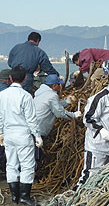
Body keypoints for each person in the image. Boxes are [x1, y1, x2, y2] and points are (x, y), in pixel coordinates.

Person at [0, 66, 42, 205]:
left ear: (10, 78)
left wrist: (1, 133)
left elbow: (0, 117)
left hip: (8, 134)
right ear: (25, 79)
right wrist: (37, 136)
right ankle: (24, 197)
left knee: (11, 164)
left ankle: (14, 196)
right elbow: (31, 119)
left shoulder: (2, 95)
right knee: (27, 165)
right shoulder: (26, 96)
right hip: (23, 134)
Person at [34, 74, 82, 139]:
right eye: (58, 85)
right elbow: (60, 113)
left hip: (34, 127)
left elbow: (53, 106)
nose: (60, 87)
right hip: (40, 129)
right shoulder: (52, 95)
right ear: (54, 86)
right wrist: (73, 115)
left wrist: (66, 102)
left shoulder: (40, 92)